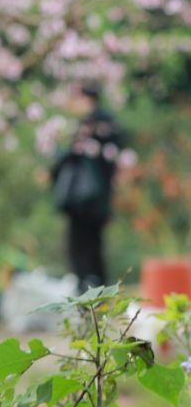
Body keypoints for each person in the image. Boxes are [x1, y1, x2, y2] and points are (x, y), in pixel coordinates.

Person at [48, 81, 133, 291]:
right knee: (95, 248)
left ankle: (88, 298)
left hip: (82, 200)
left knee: (80, 249)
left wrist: (51, 170)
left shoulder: (89, 126)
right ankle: (99, 296)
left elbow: (70, 156)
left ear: (85, 98)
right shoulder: (109, 124)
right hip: (100, 199)